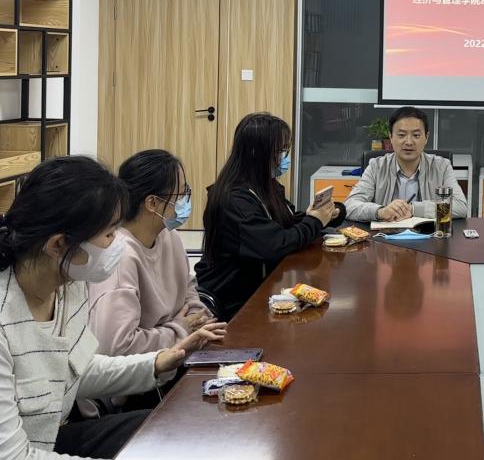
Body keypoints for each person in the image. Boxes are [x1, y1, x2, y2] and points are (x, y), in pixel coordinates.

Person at [0, 156, 224, 460]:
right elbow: (14, 456)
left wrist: (158, 362)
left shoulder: (68, 285)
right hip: (25, 451)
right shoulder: (6, 317)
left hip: (51, 437)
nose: (117, 242)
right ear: (58, 245)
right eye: (108, 234)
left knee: (175, 428)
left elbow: (75, 370)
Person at [196, 113, 341, 320]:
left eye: (286, 149)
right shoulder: (233, 199)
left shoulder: (265, 184)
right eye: (280, 151)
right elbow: (274, 245)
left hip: (266, 283)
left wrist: (326, 215)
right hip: (237, 298)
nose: (285, 157)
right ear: (256, 153)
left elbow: (286, 222)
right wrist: (315, 221)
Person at [89, 150, 213, 360]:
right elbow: (117, 347)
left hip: (180, 353)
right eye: (180, 195)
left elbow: (188, 289)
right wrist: (181, 329)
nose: (185, 201)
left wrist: (197, 318)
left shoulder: (168, 235)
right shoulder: (119, 256)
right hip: (147, 371)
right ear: (152, 203)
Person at [344, 106, 468, 222]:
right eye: (401, 135)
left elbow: (460, 207)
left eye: (416, 135)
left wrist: (414, 209)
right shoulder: (376, 166)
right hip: (385, 236)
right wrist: (380, 211)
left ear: (426, 137)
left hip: (428, 236)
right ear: (391, 137)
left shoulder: (442, 166)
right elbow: (349, 205)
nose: (408, 142)